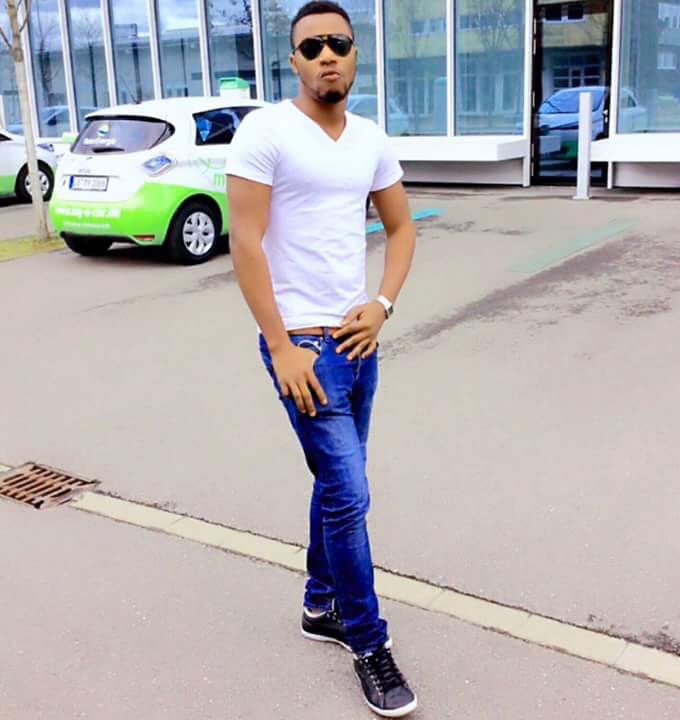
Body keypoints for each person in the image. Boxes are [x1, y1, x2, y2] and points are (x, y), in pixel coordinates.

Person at [226, 1, 417, 715]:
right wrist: (281, 347)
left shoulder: (370, 139)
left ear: (355, 53)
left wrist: (383, 304)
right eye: (311, 46)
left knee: (337, 487)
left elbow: (401, 229)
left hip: (358, 342)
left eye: (338, 42)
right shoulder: (266, 131)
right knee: (350, 493)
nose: (326, 54)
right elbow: (245, 242)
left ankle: (319, 604)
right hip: (302, 350)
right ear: (294, 61)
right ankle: (368, 641)